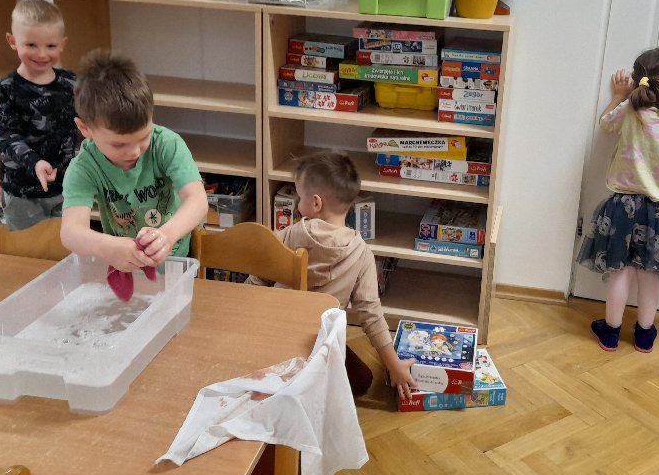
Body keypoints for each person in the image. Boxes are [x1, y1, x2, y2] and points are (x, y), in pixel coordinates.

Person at [248, 150, 418, 399]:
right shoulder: (361, 252)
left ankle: (286, 380)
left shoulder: (289, 235)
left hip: (274, 333)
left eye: (299, 197)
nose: (297, 204)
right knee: (363, 381)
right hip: (320, 344)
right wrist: (394, 365)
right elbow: (370, 313)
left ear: (316, 203)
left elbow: (256, 280)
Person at [576, 48, 659, 353]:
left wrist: (619, 95)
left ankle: (611, 333)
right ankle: (644, 335)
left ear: (637, 80)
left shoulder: (629, 110)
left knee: (621, 271)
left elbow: (605, 124)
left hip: (622, 208)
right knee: (649, 274)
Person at [60, 50, 208, 277]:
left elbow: (197, 199)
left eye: (143, 137)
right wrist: (107, 247)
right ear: (85, 129)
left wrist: (166, 236)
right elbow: (70, 231)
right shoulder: (84, 168)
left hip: (176, 259)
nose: (134, 151)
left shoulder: (166, 144)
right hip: (125, 265)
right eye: (118, 145)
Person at [0, 0, 78, 230]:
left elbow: (86, 122)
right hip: (22, 192)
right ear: (12, 41)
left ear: (62, 44)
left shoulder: (71, 83)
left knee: (65, 246)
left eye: (50, 46)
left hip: (66, 188)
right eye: (31, 45)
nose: (42, 54)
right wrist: (35, 163)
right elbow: (6, 137)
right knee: (28, 248)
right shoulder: (6, 89)